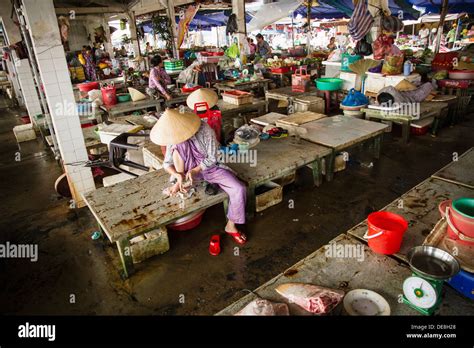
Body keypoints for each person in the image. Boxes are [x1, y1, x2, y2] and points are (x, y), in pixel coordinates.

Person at [150, 107, 247, 245]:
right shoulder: (174, 136)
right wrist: (177, 176)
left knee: (239, 189)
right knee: (179, 146)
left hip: (209, 167)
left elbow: (213, 157)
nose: (179, 136)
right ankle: (181, 183)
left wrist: (196, 170)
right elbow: (167, 163)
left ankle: (230, 226)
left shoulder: (204, 129)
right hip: (186, 173)